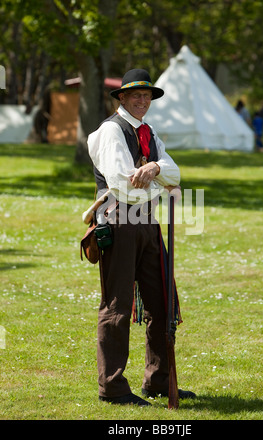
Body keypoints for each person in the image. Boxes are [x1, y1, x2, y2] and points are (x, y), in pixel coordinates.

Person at [87, 68, 196, 407]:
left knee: (162, 302)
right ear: (122, 98)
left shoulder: (148, 131)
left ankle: (159, 379)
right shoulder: (110, 131)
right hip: (118, 221)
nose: (142, 100)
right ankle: (113, 388)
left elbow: (176, 173)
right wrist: (157, 177)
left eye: (147, 95)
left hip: (148, 221)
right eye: (135, 95)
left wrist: (156, 169)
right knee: (118, 306)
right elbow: (122, 183)